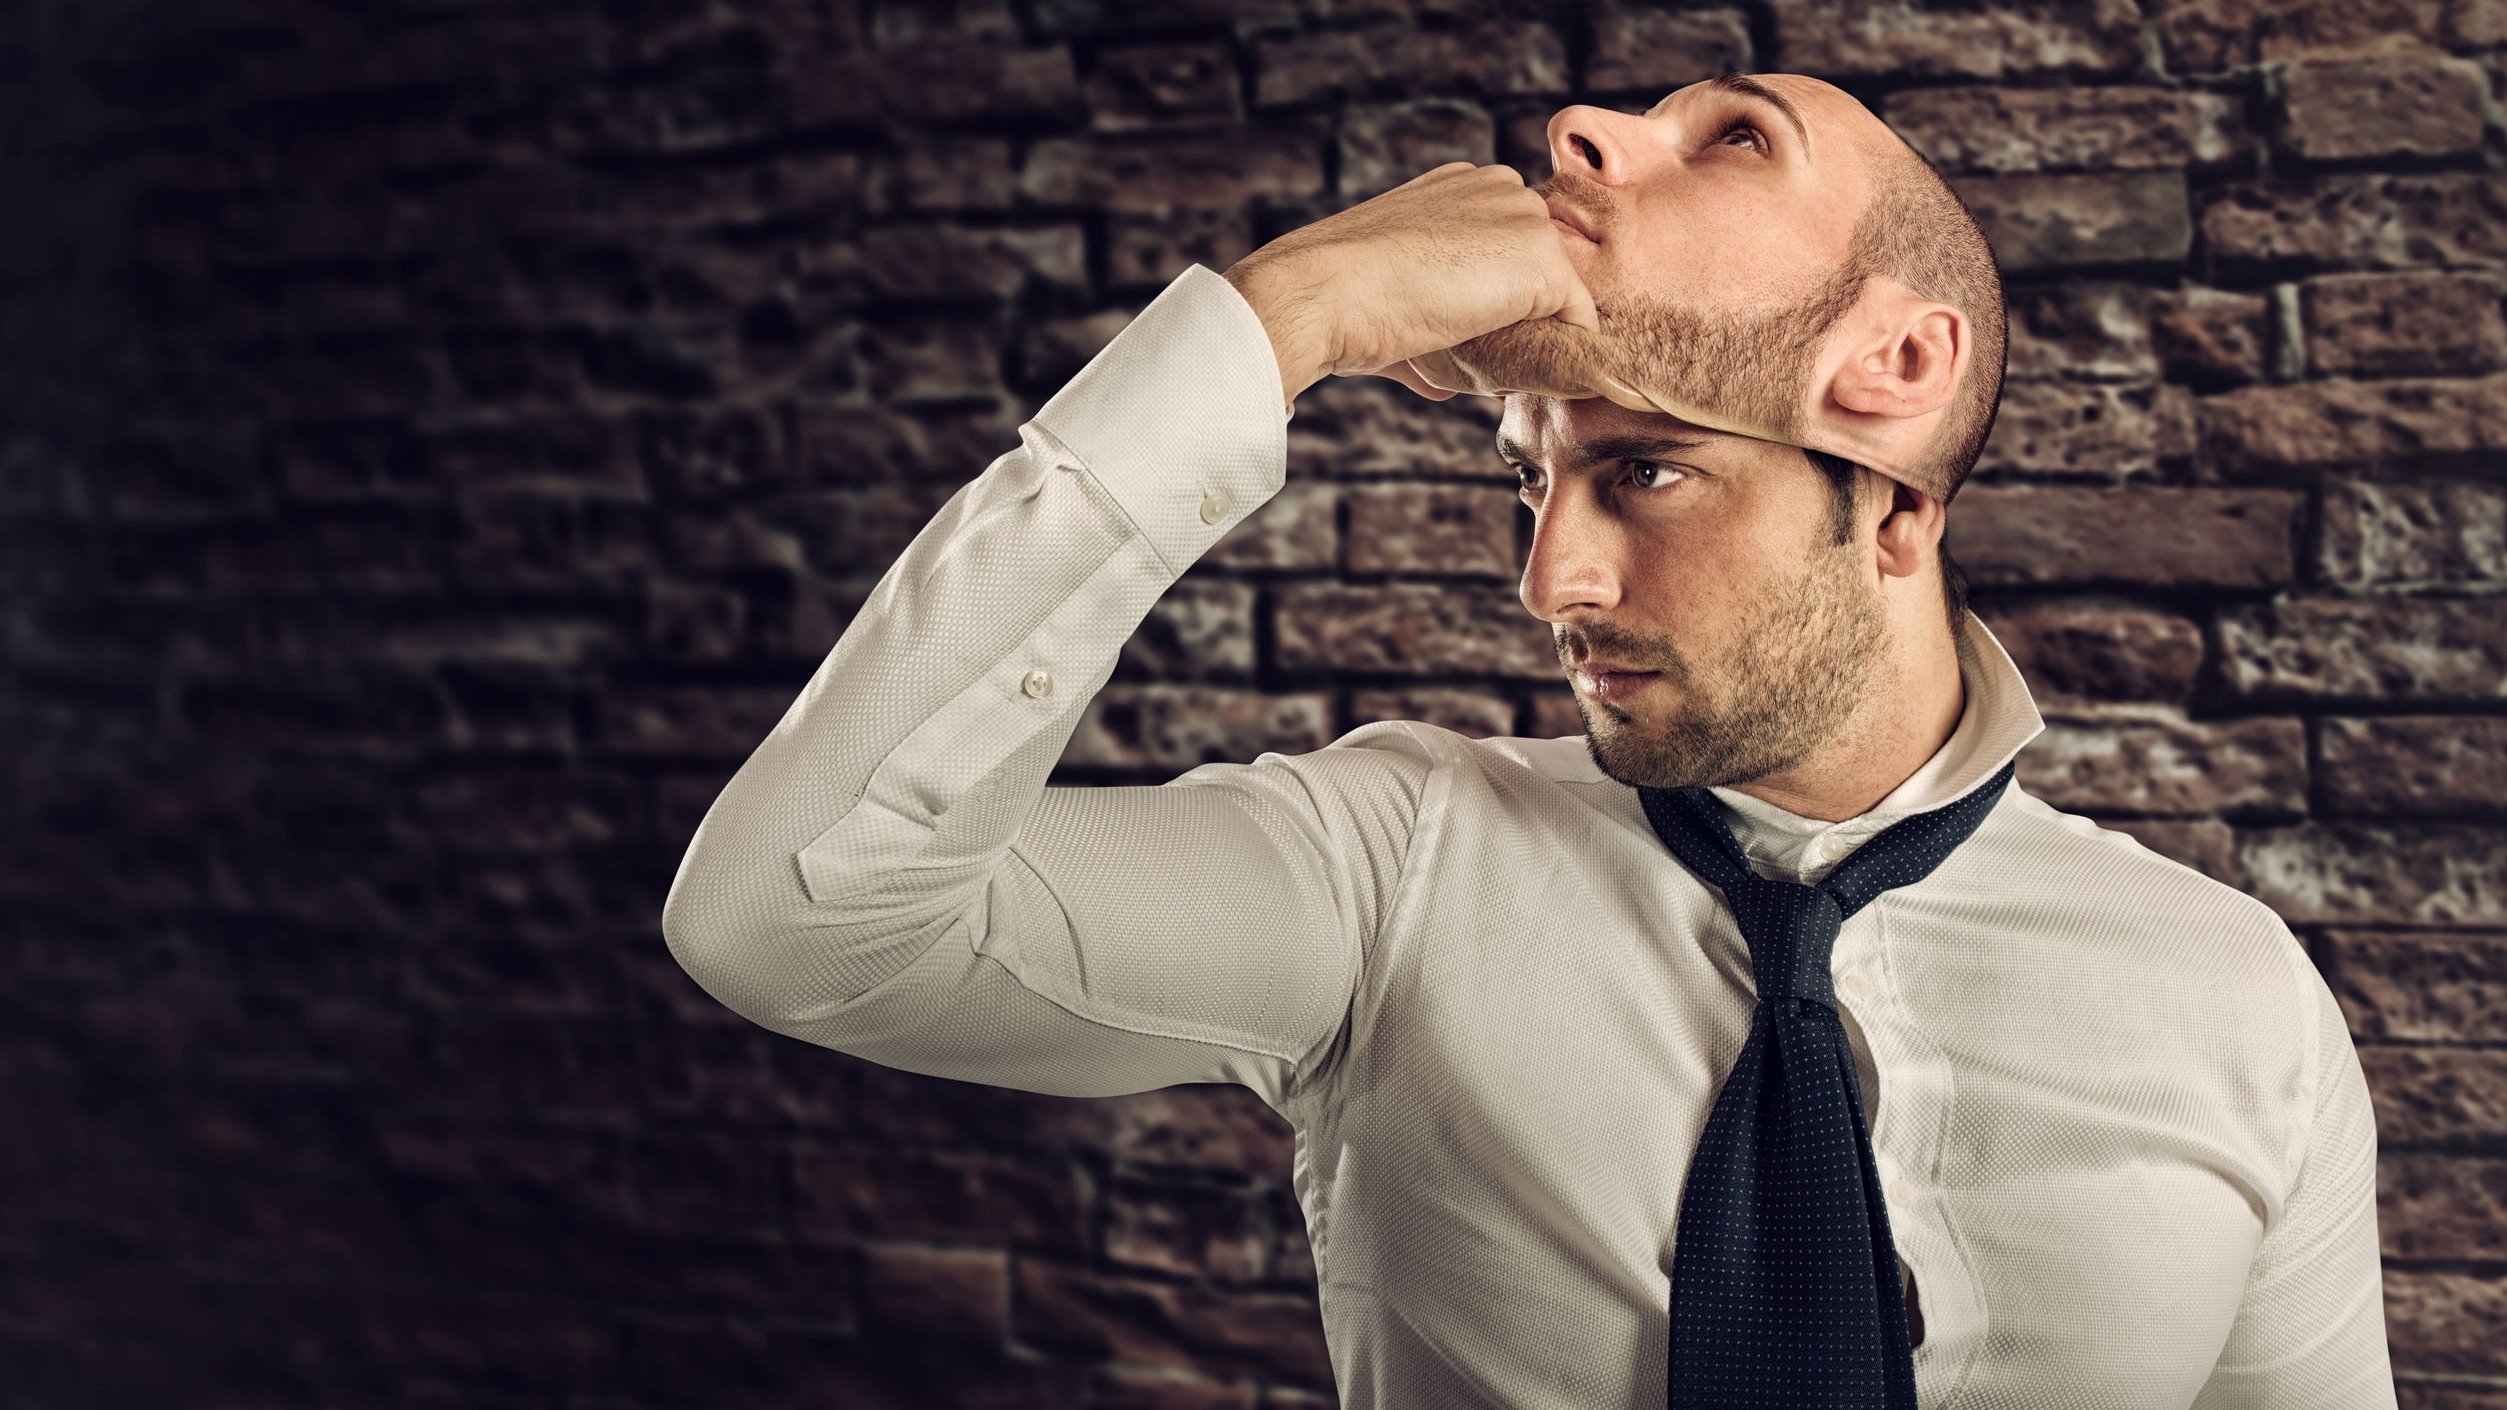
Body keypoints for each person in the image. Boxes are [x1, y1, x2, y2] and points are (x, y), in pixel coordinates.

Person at [660, 72, 2395, 1409]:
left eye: (1642, 469)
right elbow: (793, 917)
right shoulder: (1392, 864)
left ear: (1896, 386)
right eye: (1529, 473)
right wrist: (1284, 318)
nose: (1547, 576)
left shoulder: (2238, 1002)